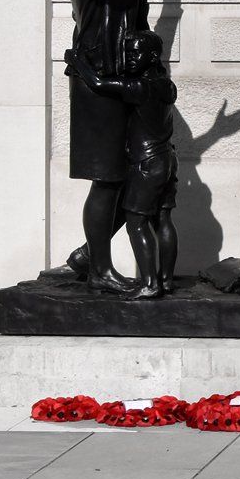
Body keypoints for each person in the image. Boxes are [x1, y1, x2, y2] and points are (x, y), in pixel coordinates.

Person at [52, 0, 191, 294]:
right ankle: (99, 269)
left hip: (122, 72)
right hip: (99, 77)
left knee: (133, 176)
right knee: (108, 179)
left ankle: (87, 256)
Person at [64, 32, 178, 299]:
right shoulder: (167, 85)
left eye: (135, 53)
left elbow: (98, 83)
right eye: (128, 53)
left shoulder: (139, 87)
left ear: (152, 56)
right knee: (162, 219)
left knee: (136, 223)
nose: (129, 59)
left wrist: (77, 61)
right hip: (167, 159)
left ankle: (149, 284)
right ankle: (166, 280)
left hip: (146, 163)